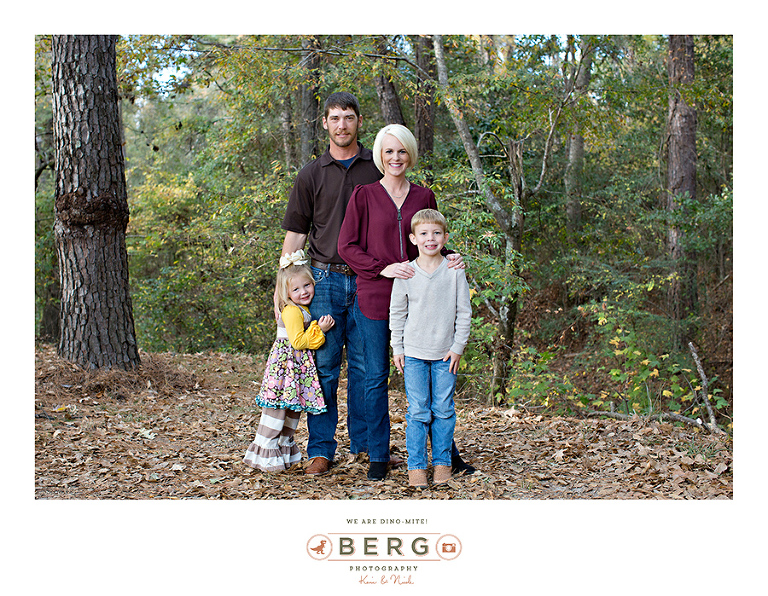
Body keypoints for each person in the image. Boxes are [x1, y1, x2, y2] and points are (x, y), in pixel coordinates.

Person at [338, 123, 474, 481]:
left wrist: (454, 257)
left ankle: (447, 457)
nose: (395, 158)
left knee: (433, 385)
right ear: (380, 156)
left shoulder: (423, 195)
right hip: (376, 295)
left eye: (401, 151)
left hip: (424, 301)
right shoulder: (363, 195)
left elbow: (432, 236)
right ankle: (378, 456)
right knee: (374, 376)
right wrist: (383, 269)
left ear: (409, 155)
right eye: (388, 151)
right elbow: (347, 246)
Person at [279, 92, 382, 476]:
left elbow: (402, 219)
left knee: (366, 368)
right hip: (322, 281)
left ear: (359, 121)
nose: (342, 125)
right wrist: (283, 289)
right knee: (323, 368)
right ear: (324, 123)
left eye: (349, 118)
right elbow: (295, 235)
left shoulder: (377, 168)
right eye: (335, 118)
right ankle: (320, 449)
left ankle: (367, 445)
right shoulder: (311, 174)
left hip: (369, 281)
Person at [389, 209, 471, 488]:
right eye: (423, 233)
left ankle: (442, 463)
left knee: (444, 410)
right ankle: (417, 468)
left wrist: (458, 347)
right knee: (417, 411)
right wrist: (397, 347)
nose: (430, 238)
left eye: (436, 233)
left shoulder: (453, 270)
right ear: (413, 238)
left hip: (445, 354)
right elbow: (397, 313)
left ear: (445, 237)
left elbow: (464, 312)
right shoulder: (406, 272)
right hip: (412, 354)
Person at [244, 250, 335, 472]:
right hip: (285, 367)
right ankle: (265, 454)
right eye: (296, 289)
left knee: (291, 410)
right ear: (286, 292)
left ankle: (283, 452)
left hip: (295, 369)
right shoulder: (292, 311)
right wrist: (318, 329)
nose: (303, 292)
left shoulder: (301, 308)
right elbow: (297, 341)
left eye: (307, 285)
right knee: (277, 410)